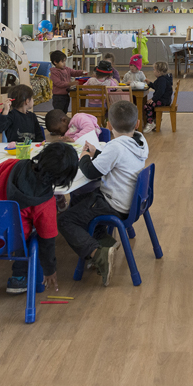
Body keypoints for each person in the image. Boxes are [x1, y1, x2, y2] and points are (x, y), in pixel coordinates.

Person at [0, 143, 79, 297]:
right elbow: (47, 239)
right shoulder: (45, 201)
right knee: (31, 231)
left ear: (41, 155)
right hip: (14, 241)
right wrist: (50, 270)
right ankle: (18, 277)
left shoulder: (11, 164)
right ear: (64, 178)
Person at [59, 101, 149, 287]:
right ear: (137, 123)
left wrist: (85, 155)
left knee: (64, 220)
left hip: (114, 204)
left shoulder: (115, 147)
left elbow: (91, 172)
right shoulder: (140, 141)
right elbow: (118, 158)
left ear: (108, 125)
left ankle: (97, 254)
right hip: (131, 202)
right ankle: (105, 242)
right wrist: (98, 151)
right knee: (79, 199)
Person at [143, 61, 173, 134]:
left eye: (154, 70)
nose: (153, 71)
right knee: (150, 104)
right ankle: (155, 121)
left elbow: (160, 92)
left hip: (163, 101)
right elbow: (158, 88)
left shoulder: (162, 80)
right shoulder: (163, 78)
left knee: (147, 106)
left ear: (159, 72)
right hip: (165, 100)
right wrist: (150, 84)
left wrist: (153, 99)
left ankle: (150, 123)